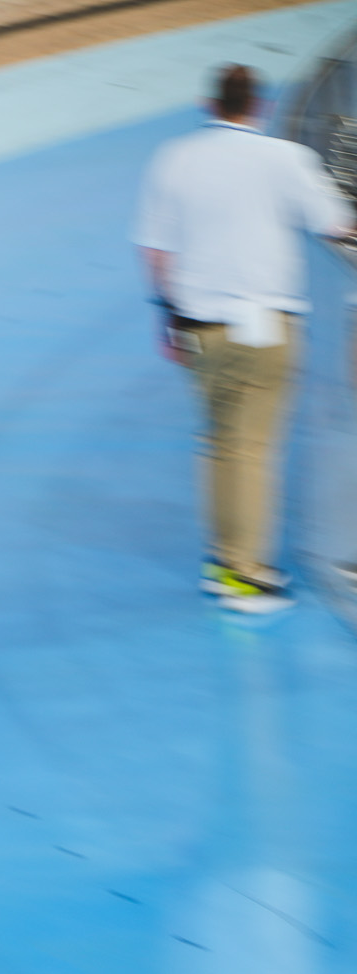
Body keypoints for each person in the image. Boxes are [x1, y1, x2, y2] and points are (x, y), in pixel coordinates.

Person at [133, 63, 354, 614]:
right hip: (263, 330)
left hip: (197, 327)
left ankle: (224, 562)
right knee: (252, 450)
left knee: (217, 446)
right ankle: (245, 575)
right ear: (257, 107)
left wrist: (168, 318)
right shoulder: (284, 158)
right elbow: (337, 223)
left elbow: (155, 252)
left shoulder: (174, 158)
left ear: (211, 105)